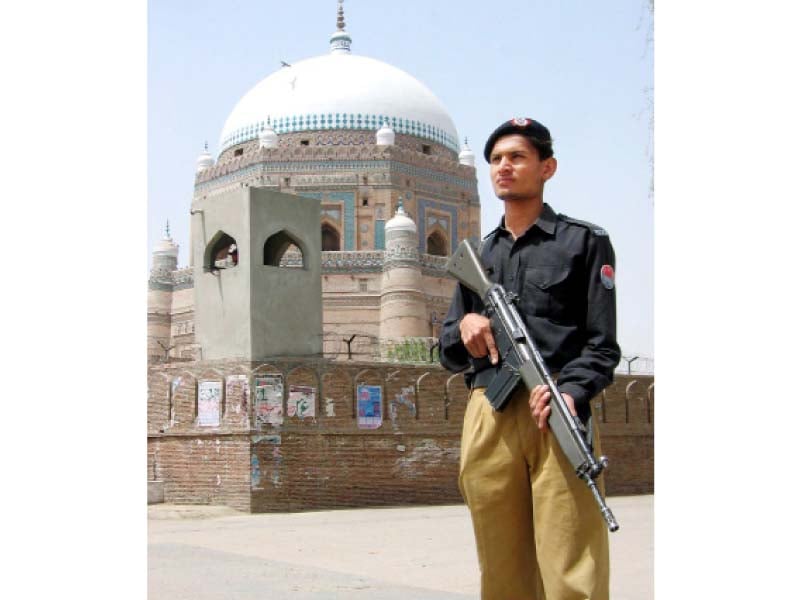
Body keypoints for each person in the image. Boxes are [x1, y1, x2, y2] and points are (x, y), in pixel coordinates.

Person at [439, 117, 621, 600]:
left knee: (571, 565)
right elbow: (447, 350)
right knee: (502, 570)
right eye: (496, 159)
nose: (504, 167)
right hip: (490, 411)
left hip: (555, 405)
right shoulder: (477, 255)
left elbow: (603, 344)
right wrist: (466, 326)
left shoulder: (583, 242)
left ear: (547, 168)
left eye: (517, 157)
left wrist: (573, 392)